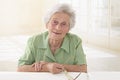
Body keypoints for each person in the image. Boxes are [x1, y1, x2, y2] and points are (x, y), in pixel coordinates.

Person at [17, 3, 87, 74]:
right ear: (47, 24)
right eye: (55, 22)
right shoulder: (34, 40)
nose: (58, 28)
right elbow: (20, 68)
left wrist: (54, 66)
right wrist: (47, 67)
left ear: (69, 28)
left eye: (63, 24)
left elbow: (83, 68)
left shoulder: (76, 41)